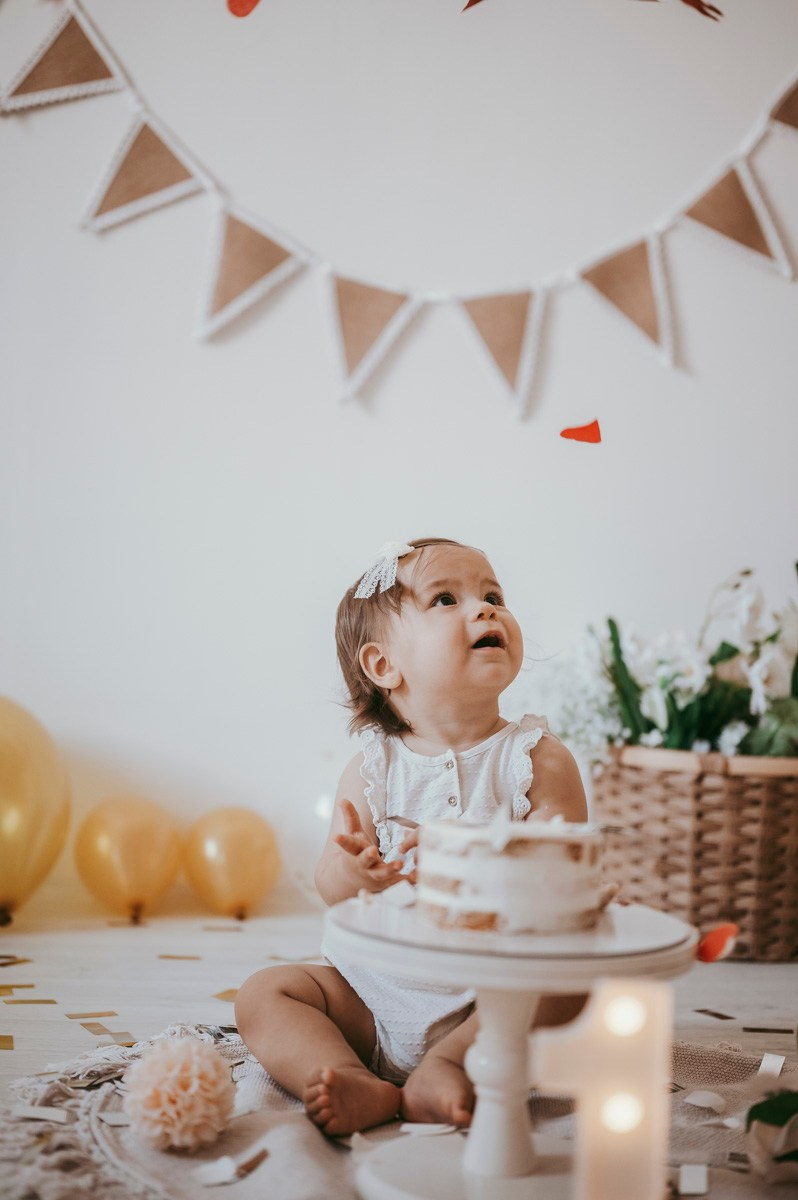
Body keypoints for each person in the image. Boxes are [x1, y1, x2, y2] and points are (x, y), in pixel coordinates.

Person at [235, 536, 588, 1136]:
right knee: (265, 993)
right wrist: (355, 872)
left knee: (570, 984)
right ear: (383, 666)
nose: (485, 609)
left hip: (492, 999)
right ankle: (348, 1075)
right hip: (370, 998)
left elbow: (565, 877)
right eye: (446, 599)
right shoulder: (372, 769)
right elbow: (330, 884)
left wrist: (473, 859)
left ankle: (447, 1065)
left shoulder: (536, 759)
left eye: (494, 595)